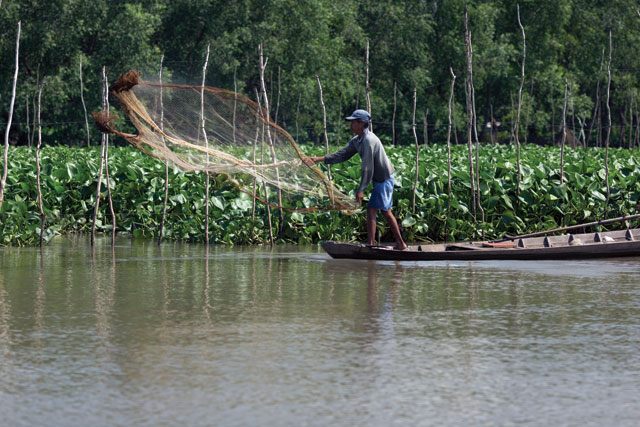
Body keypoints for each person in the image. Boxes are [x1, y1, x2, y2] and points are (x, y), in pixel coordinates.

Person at [308, 109, 408, 250]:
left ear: (362, 123)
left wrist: (361, 189)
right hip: (379, 179)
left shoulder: (368, 140)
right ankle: (374, 243)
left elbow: (367, 168)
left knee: (383, 211)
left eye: (354, 122)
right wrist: (319, 159)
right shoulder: (357, 140)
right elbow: (342, 155)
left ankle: (398, 244)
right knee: (374, 210)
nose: (351, 124)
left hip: (384, 178)